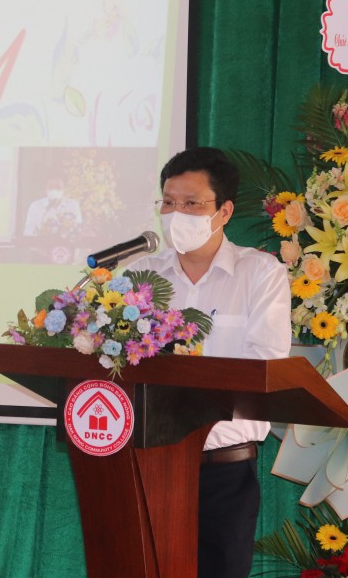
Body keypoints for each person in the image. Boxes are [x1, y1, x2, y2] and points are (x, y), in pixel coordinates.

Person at [127, 146, 291, 578]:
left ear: (224, 211)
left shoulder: (261, 274)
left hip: (223, 472)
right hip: (148, 467)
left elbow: (266, 367)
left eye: (191, 203)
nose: (175, 214)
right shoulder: (139, 277)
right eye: (168, 202)